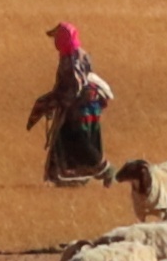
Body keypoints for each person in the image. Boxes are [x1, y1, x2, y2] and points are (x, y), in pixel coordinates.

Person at [26, 22, 113, 185]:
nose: (55, 43)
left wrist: (52, 102)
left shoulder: (70, 62)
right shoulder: (82, 54)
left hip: (78, 109)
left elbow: (73, 88)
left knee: (74, 140)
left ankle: (101, 169)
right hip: (90, 106)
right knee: (76, 140)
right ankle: (70, 176)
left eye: (57, 39)